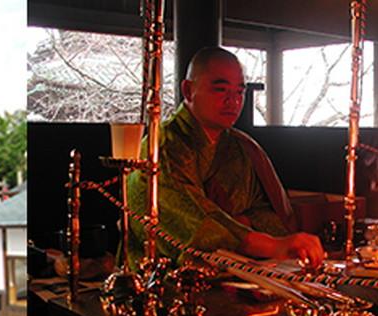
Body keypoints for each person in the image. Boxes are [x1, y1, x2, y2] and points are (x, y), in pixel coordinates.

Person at [124, 47, 325, 270]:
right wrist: (256, 239)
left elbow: (273, 218)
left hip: (240, 275)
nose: (233, 100)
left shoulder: (242, 148)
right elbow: (194, 226)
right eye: (220, 90)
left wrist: (238, 225)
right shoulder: (161, 148)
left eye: (239, 92)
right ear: (188, 90)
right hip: (163, 280)